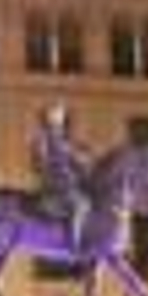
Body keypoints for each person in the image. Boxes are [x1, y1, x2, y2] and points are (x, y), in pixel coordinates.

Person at [31, 107, 92, 255]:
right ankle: (73, 245)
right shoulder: (42, 139)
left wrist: (82, 160)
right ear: (47, 121)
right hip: (53, 188)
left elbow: (76, 159)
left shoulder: (66, 140)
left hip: (69, 186)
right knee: (80, 205)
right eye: (53, 120)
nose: (57, 123)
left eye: (59, 120)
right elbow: (39, 164)